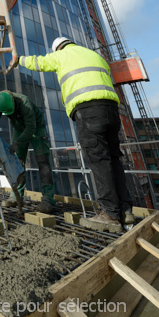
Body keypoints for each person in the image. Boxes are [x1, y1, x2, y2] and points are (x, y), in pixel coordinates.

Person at [19, 36, 134, 232]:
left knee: (99, 160)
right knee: (114, 159)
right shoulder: (93, 55)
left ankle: (109, 214)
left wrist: (18, 59)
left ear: (57, 49)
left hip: (88, 111)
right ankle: (125, 211)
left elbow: (38, 63)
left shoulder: (62, 56)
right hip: (111, 109)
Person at [0, 90, 55, 213]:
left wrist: (17, 143)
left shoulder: (24, 103)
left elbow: (31, 127)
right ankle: (16, 196)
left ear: (14, 102)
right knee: (17, 161)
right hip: (19, 128)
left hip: (36, 127)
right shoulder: (0, 103)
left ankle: (48, 198)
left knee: (43, 161)